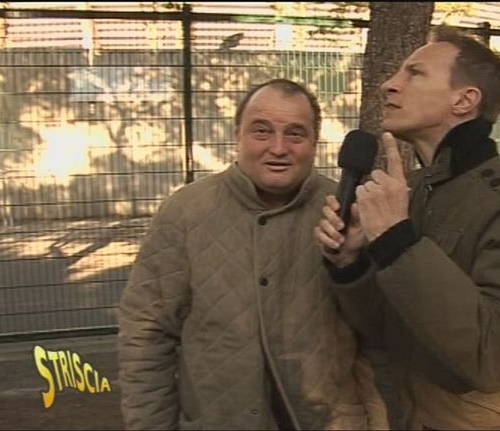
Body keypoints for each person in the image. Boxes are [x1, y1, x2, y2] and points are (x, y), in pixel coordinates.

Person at [315, 26, 500, 430]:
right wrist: (351, 265)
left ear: (464, 100)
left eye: (415, 73)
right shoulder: (412, 193)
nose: (388, 84)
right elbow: (386, 329)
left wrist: (399, 241)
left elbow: (495, 360)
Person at [118, 79, 384, 430]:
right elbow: (145, 335)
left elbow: (379, 334)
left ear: (314, 143)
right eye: (262, 131)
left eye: (295, 134)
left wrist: (351, 266)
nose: (278, 148)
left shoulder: (348, 215)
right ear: (237, 136)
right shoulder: (185, 213)